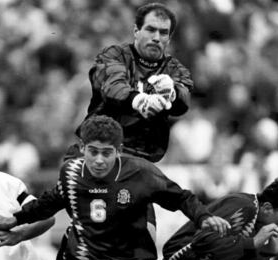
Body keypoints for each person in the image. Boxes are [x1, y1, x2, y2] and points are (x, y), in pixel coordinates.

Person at [0, 115, 230, 260]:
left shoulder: (141, 173)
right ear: (82, 149)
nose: (99, 160)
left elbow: (181, 197)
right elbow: (48, 203)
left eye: (106, 153)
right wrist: (13, 221)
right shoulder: (71, 173)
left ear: (119, 151)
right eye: (93, 152)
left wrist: (203, 217)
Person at [67, 2, 193, 163]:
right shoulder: (114, 54)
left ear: (168, 39)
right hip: (98, 153)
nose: (156, 38)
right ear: (136, 31)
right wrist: (139, 100)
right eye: (150, 29)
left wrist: (173, 93)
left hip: (143, 161)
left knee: (175, 188)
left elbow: (184, 101)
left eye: (163, 33)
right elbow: (112, 86)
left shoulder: (175, 69)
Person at [156, 177, 278, 260]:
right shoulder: (244, 206)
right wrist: (252, 243)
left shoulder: (255, 218)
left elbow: (225, 258)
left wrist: (267, 251)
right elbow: (204, 241)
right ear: (267, 208)